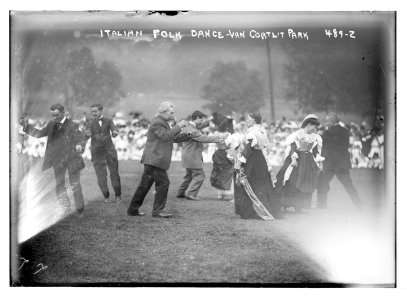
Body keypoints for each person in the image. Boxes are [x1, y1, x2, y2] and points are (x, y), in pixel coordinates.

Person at [20, 103, 86, 216]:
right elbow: (39, 133)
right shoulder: (51, 124)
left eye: (56, 115)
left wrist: (80, 145)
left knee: (74, 184)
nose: (54, 118)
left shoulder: (72, 125)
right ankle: (66, 209)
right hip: (58, 160)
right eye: (52, 115)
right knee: (59, 185)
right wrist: (26, 127)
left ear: (63, 112)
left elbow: (80, 138)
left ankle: (79, 210)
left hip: (72, 159)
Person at [127, 102, 188, 218]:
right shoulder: (157, 122)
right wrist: (179, 126)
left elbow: (171, 137)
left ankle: (132, 210)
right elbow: (165, 136)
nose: (172, 115)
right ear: (164, 112)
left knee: (144, 186)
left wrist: (188, 135)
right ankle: (158, 211)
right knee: (163, 183)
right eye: (171, 113)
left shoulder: (162, 122)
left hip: (153, 159)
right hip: (155, 159)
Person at [234, 112, 283, 220]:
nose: (247, 121)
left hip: (252, 160)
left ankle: (249, 211)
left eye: (248, 119)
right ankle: (258, 208)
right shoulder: (262, 131)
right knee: (261, 184)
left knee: (248, 182)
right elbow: (264, 148)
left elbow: (249, 149)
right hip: (260, 159)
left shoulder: (252, 132)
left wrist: (241, 162)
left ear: (254, 120)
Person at [275, 114, 324, 212]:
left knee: (306, 182)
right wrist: (293, 159)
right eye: (314, 126)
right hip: (296, 159)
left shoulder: (315, 137)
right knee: (290, 179)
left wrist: (319, 162)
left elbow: (315, 152)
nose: (315, 129)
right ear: (308, 125)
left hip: (308, 161)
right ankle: (285, 204)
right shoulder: (297, 134)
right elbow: (293, 148)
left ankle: (300, 205)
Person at [176, 111, 228, 201]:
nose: (201, 122)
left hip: (188, 156)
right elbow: (203, 138)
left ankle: (180, 192)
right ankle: (191, 194)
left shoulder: (189, 126)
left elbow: (200, 126)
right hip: (192, 157)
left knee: (189, 176)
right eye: (201, 119)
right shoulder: (192, 129)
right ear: (196, 118)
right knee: (200, 175)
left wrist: (210, 119)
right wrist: (220, 136)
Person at [316, 113, 363, 210]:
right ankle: (359, 205)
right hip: (342, 164)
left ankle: (321, 205)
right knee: (349, 186)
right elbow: (345, 146)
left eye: (327, 121)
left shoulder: (327, 133)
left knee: (322, 183)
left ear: (332, 122)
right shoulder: (345, 131)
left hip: (330, 165)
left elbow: (324, 149)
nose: (326, 123)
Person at [84, 104, 122, 203]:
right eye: (92, 112)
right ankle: (106, 196)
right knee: (101, 175)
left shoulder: (108, 121)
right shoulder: (89, 122)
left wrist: (115, 132)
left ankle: (118, 196)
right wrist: (86, 135)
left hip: (109, 150)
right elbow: (86, 135)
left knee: (114, 174)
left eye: (95, 111)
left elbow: (114, 129)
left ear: (101, 111)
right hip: (96, 152)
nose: (93, 114)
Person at [209, 112, 235, 201]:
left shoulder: (216, 134)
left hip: (218, 153)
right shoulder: (228, 135)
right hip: (225, 153)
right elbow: (230, 145)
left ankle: (220, 193)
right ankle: (226, 192)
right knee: (227, 172)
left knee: (219, 172)